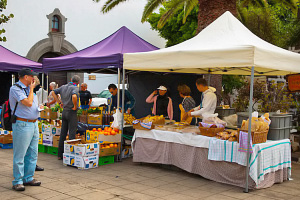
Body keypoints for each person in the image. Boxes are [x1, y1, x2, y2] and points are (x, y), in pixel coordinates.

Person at [9, 68, 42, 191]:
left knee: (33, 153)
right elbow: (27, 103)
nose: (34, 79)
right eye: (32, 76)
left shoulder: (29, 89)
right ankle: (17, 180)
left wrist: (38, 108)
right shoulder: (15, 89)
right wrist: (32, 89)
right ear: (25, 77)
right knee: (20, 154)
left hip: (33, 124)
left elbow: (32, 104)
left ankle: (28, 177)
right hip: (22, 124)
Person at [51, 75, 80, 160]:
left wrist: (59, 102)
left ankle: (60, 154)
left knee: (63, 133)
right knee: (71, 134)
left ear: (71, 80)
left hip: (64, 112)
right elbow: (74, 96)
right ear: (78, 83)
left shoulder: (63, 87)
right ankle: (70, 155)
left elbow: (53, 92)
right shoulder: (75, 88)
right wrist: (75, 106)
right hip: (72, 112)